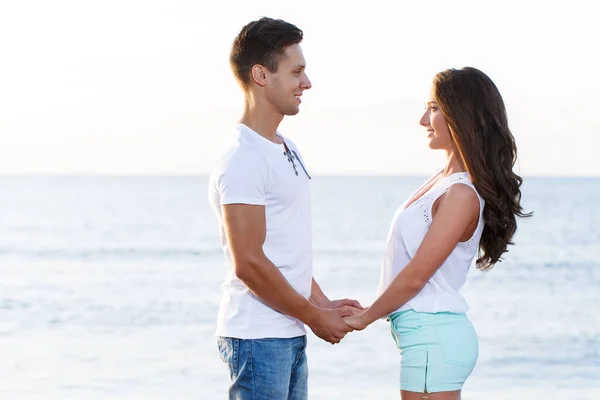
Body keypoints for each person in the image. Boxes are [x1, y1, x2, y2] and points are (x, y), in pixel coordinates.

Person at [344, 67, 532, 400]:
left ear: (461, 116)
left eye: (433, 109)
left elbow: (417, 275)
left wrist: (365, 317)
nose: (422, 120)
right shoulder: (441, 181)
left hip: (433, 335)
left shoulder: (461, 194)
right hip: (424, 334)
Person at [208, 17, 362, 400]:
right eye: (296, 72)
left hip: (286, 332)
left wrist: (321, 303)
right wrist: (314, 317)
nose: (306, 83)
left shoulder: (286, 147)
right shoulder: (242, 157)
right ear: (261, 75)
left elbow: (283, 249)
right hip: (258, 337)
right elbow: (250, 263)